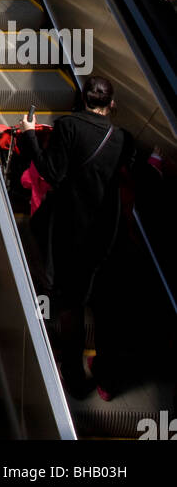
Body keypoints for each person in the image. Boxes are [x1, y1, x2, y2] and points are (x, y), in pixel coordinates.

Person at [18, 76, 149, 400]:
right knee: (103, 305)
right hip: (105, 234)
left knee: (71, 304)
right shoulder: (123, 138)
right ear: (112, 104)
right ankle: (105, 375)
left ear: (81, 100)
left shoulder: (68, 127)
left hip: (68, 229)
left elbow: (52, 171)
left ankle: (73, 375)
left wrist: (30, 135)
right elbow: (133, 174)